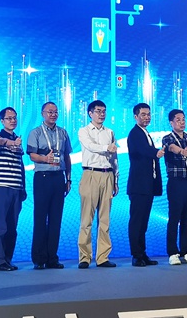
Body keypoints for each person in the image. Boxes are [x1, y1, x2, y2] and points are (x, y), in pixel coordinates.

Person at [27, 101, 72, 269]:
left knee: (55, 219)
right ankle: (39, 259)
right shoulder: (35, 132)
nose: (53, 115)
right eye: (49, 112)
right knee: (40, 218)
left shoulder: (63, 132)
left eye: (55, 112)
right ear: (43, 114)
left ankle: (52, 258)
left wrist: (68, 179)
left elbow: (66, 156)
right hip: (42, 177)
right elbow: (32, 155)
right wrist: (45, 159)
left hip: (58, 178)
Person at [76, 100, 119, 269]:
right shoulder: (84, 131)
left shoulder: (110, 132)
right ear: (90, 113)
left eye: (104, 111)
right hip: (90, 173)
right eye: (98, 111)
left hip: (107, 175)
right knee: (86, 219)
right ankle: (84, 257)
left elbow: (114, 157)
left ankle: (102, 257)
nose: (102, 114)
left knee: (105, 219)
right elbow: (90, 146)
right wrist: (107, 147)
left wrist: (116, 179)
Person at [162, 109, 187, 266]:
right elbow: (172, 148)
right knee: (174, 219)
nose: (182, 122)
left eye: (183, 119)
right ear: (171, 122)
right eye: (178, 119)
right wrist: (181, 151)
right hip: (176, 183)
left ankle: (186, 251)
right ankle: (173, 253)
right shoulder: (167, 138)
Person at [126, 102, 164, 267]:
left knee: (143, 222)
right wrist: (157, 152)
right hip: (138, 186)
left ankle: (142, 253)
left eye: (148, 114)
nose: (147, 117)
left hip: (147, 185)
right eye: (143, 114)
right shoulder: (135, 133)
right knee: (137, 221)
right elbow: (143, 150)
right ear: (136, 116)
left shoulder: (145, 133)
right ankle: (136, 255)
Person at [0, 107, 26, 271]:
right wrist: (12, 143)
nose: (13, 121)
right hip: (1, 188)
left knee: (12, 228)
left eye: (14, 118)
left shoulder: (18, 139)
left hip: (16, 189)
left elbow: (20, 166)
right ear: (2, 121)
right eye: (9, 118)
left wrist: (23, 188)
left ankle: (7, 259)